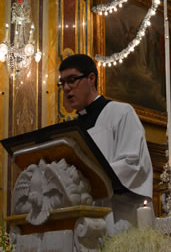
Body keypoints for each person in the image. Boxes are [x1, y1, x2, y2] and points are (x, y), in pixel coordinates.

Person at [58, 54, 153, 228]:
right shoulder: (71, 130)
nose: (66, 88)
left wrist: (84, 178)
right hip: (85, 221)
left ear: (91, 79)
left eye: (72, 80)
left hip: (121, 218)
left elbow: (132, 165)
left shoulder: (121, 113)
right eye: (62, 83)